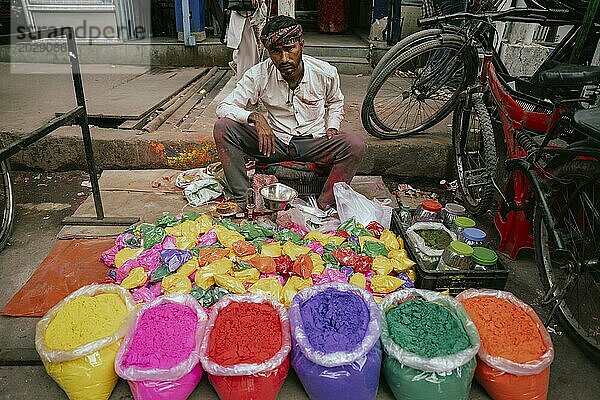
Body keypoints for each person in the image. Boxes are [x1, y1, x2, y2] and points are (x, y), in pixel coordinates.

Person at [214, 15, 366, 211]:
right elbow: (223, 107)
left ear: (301, 45)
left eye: (289, 49)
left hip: (315, 142)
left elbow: (336, 101)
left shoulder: (325, 72)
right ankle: (243, 199)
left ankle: (325, 205)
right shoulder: (258, 74)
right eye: (276, 51)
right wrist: (254, 117)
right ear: (268, 52)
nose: (284, 58)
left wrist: (332, 126)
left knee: (356, 144)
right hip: (274, 144)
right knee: (223, 127)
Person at [225, 0, 268, 78]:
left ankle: (240, 67)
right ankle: (246, 78)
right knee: (247, 52)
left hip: (253, 14)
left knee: (254, 50)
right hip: (244, 14)